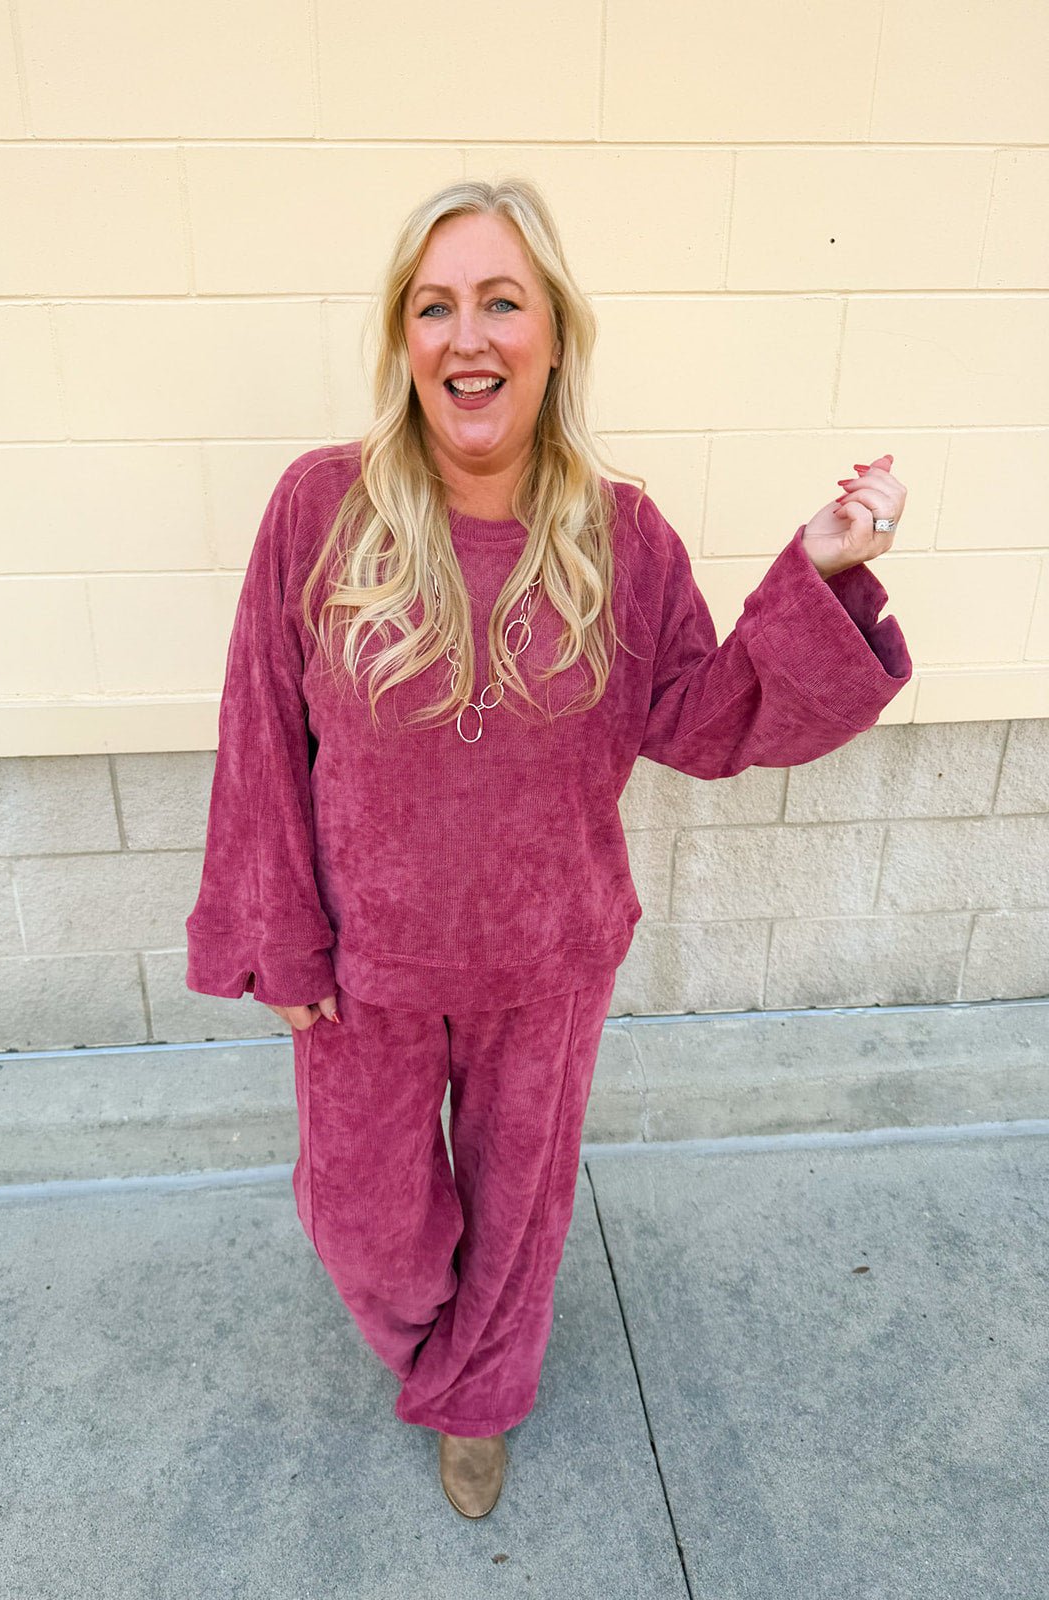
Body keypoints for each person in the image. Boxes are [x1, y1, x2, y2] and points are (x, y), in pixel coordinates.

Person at [184, 178, 911, 1519]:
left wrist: (817, 571)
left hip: (548, 957)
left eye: (501, 302)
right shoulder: (321, 508)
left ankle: (478, 1398)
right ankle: (439, 1345)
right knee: (364, 1223)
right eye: (435, 306)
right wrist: (275, 934)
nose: (468, 337)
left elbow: (703, 717)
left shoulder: (621, 534)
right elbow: (260, 726)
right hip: (365, 966)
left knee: (518, 1216)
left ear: (555, 333)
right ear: (403, 338)